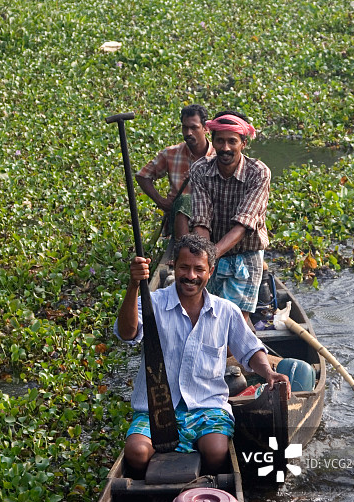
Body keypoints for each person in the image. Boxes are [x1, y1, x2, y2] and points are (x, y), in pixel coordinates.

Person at [115, 234, 290, 475]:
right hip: (156, 409)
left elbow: (250, 350)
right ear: (173, 266)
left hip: (207, 407)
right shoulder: (152, 302)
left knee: (216, 451)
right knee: (136, 453)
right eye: (184, 267)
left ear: (210, 271)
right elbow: (127, 333)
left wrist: (269, 373)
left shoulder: (225, 311)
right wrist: (134, 285)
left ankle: (207, 488)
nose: (191, 276)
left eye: (199, 269)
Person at [189, 110, 270, 322]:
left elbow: (243, 225)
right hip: (212, 248)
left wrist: (209, 257)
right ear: (212, 142)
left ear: (243, 143)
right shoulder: (200, 170)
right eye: (220, 141)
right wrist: (205, 259)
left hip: (246, 252)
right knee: (206, 313)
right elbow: (201, 220)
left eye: (232, 141)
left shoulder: (258, 172)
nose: (225, 148)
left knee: (235, 319)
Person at [135, 105, 215, 239]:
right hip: (179, 220)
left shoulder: (218, 155)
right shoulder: (171, 153)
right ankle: (181, 249)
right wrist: (160, 201)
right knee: (184, 201)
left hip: (211, 219)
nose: (188, 133)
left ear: (205, 128)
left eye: (194, 128)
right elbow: (142, 176)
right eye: (185, 127)